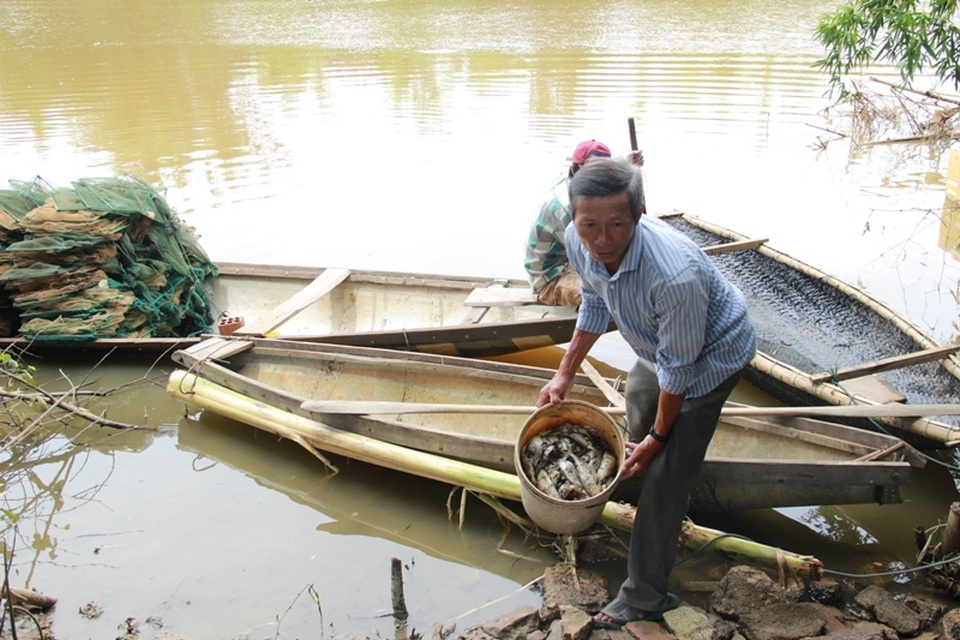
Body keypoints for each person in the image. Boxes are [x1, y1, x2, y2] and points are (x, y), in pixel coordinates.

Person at [535, 157, 756, 629]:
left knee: (668, 472)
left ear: (640, 213)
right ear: (573, 218)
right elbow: (594, 300)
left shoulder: (673, 275)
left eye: (617, 225)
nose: (602, 240)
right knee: (638, 392)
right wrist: (564, 374)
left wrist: (660, 439)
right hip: (658, 348)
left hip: (712, 358)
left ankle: (644, 595)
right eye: (589, 224)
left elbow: (680, 372)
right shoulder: (579, 241)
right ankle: (639, 473)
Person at [523, 140, 643, 306]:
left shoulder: (573, 180)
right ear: (574, 169)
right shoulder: (568, 208)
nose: (597, 180)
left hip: (567, 261)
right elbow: (595, 257)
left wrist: (626, 162)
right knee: (612, 294)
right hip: (552, 276)